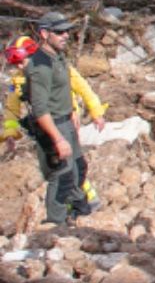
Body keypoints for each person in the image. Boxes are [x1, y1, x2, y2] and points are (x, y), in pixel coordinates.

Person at [4, 34, 108, 212]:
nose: (20, 67)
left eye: (22, 61)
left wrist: (94, 111)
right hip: (44, 128)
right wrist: (10, 132)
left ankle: (84, 199)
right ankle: (71, 206)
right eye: (16, 65)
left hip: (65, 121)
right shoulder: (19, 80)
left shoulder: (57, 67)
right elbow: (11, 108)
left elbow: (81, 88)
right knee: (58, 168)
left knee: (75, 164)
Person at [24, 13, 92, 226]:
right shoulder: (40, 66)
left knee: (79, 167)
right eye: (60, 32)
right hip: (53, 125)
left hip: (66, 121)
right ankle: (56, 224)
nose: (66, 35)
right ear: (44, 34)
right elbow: (40, 109)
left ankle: (78, 213)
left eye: (67, 31)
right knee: (61, 176)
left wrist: (72, 111)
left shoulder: (58, 56)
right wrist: (58, 139)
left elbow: (63, 88)